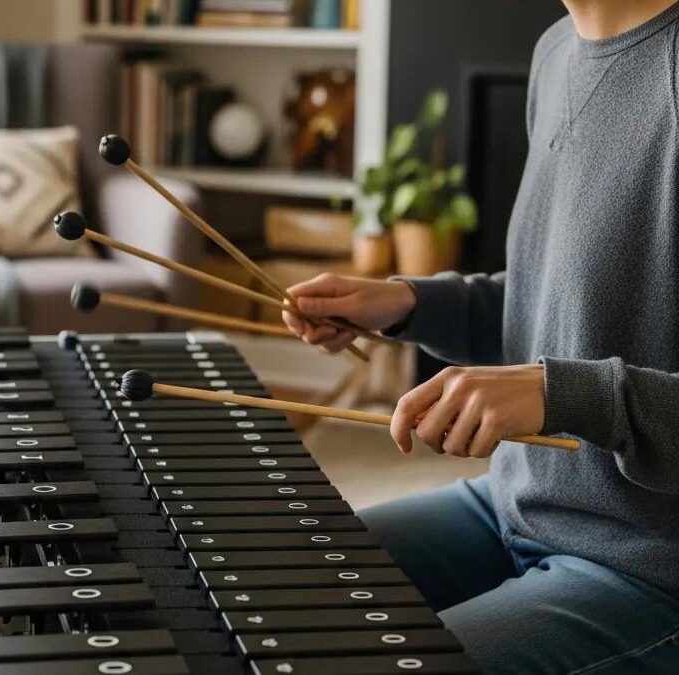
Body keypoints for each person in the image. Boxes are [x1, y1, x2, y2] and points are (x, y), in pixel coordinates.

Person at [282, 1, 679, 672]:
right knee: (276, 579)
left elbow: (563, 377)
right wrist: (408, 302)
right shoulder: (556, 53)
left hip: (648, 562)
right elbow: (555, 301)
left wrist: (564, 394)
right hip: (510, 501)